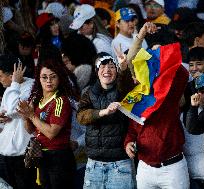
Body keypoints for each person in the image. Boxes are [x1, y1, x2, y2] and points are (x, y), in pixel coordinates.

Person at [124, 44, 190, 189]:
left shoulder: (168, 94)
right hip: (145, 169)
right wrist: (128, 143)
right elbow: (132, 131)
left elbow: (183, 74)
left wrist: (162, 54)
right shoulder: (135, 99)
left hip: (173, 168)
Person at [76, 52, 135, 189]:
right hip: (93, 164)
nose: (107, 70)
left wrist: (124, 68)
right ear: (97, 71)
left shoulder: (122, 91)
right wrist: (103, 112)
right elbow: (81, 116)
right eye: (102, 66)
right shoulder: (88, 93)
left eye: (111, 67)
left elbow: (126, 84)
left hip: (120, 164)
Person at [17, 57, 76, 189]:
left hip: (58, 157)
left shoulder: (61, 101)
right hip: (41, 155)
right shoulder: (38, 99)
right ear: (38, 79)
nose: (48, 81)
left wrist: (32, 115)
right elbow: (30, 129)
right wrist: (26, 117)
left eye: (53, 77)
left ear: (59, 78)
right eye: (44, 77)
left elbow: (51, 132)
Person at [0, 54, 36, 189]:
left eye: (0, 76)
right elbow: (6, 114)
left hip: (23, 155)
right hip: (4, 153)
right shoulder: (8, 90)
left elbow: (15, 110)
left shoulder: (32, 86)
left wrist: (15, 83)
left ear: (12, 75)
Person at [183, 74, 204, 189]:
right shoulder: (185, 115)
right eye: (202, 90)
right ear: (195, 93)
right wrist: (193, 108)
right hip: (192, 178)